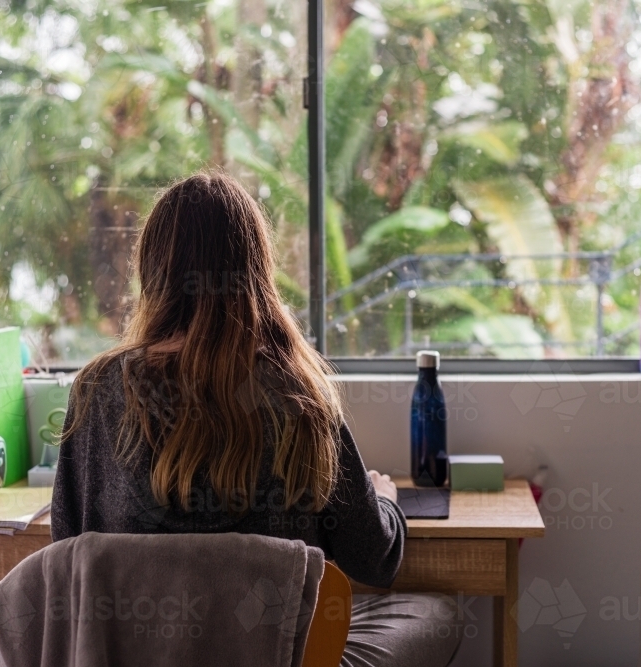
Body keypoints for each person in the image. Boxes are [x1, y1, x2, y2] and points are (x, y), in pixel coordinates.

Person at [52, 171, 464, 667]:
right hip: (276, 658)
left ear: (153, 270)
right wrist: (386, 502)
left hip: (136, 656)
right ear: (256, 271)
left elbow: (67, 552)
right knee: (437, 612)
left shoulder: (96, 389)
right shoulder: (299, 394)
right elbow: (374, 561)